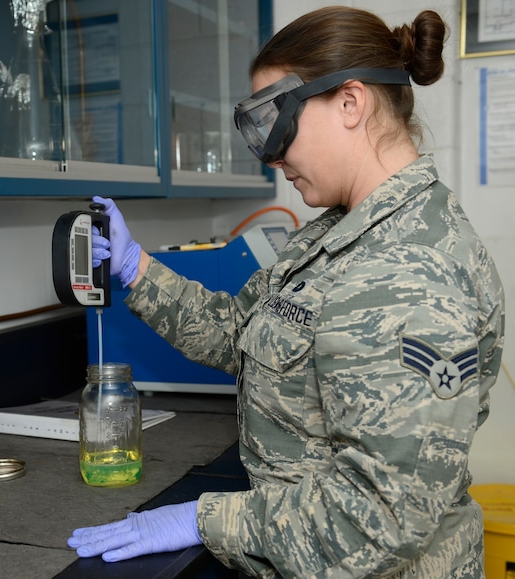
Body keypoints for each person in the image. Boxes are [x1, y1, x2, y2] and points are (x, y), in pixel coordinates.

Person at [67, 6, 505, 578]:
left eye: (276, 121)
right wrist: (137, 268)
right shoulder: (340, 231)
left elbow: (377, 520)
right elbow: (240, 334)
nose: (271, 155)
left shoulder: (407, 270)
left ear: (350, 103)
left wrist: (204, 520)